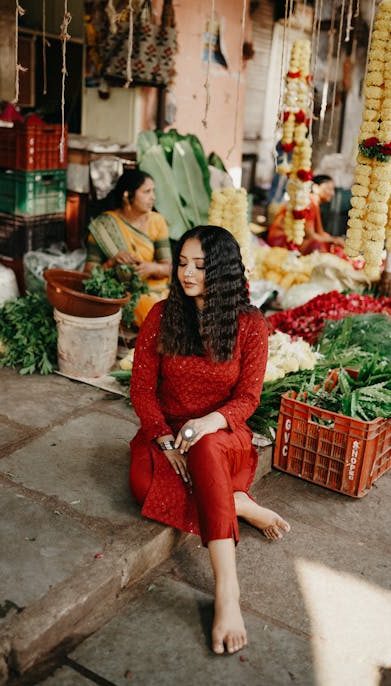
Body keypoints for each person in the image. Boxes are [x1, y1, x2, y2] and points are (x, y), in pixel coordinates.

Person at [128, 225, 290, 656]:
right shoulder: (161, 315)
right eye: (182, 262)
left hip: (220, 435)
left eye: (199, 265)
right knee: (142, 487)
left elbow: (248, 399)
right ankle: (234, 503)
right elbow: (142, 391)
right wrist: (164, 439)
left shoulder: (250, 325)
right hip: (167, 434)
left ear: (222, 270)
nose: (187, 272)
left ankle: (227, 593)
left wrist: (207, 423)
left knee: (204, 448)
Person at [85, 168, 172, 326]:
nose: (153, 197)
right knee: (154, 313)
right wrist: (112, 262)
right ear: (127, 195)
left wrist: (151, 268)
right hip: (127, 294)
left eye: (153, 191)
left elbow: (169, 267)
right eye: (146, 192)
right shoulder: (104, 227)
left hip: (161, 288)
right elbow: (88, 275)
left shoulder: (157, 221)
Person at [267, 174, 346, 255]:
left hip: (291, 238)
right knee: (317, 246)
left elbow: (320, 233)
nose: (332, 193)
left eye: (333, 189)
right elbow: (311, 236)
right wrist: (333, 240)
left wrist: (335, 239)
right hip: (281, 240)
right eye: (329, 189)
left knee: (330, 244)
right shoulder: (308, 203)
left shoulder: (313, 203)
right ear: (315, 188)